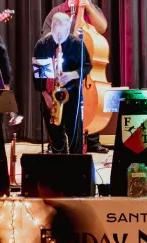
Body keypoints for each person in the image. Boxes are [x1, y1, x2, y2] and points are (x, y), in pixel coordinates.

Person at [42, 0, 109, 154]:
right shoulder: (57, 11)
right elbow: (46, 35)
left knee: (86, 104)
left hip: (85, 71)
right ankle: (58, 143)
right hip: (63, 70)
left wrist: (88, 7)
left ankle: (92, 140)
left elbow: (102, 27)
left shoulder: (92, 9)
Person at [34, 13, 92, 155]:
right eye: (55, 32)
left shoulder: (76, 44)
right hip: (50, 95)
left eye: (62, 32)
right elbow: (38, 74)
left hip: (71, 94)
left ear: (68, 29)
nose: (58, 36)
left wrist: (72, 74)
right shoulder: (42, 45)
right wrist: (45, 95)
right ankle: (58, 162)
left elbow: (87, 66)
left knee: (74, 133)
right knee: (54, 134)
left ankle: (76, 165)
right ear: (52, 27)